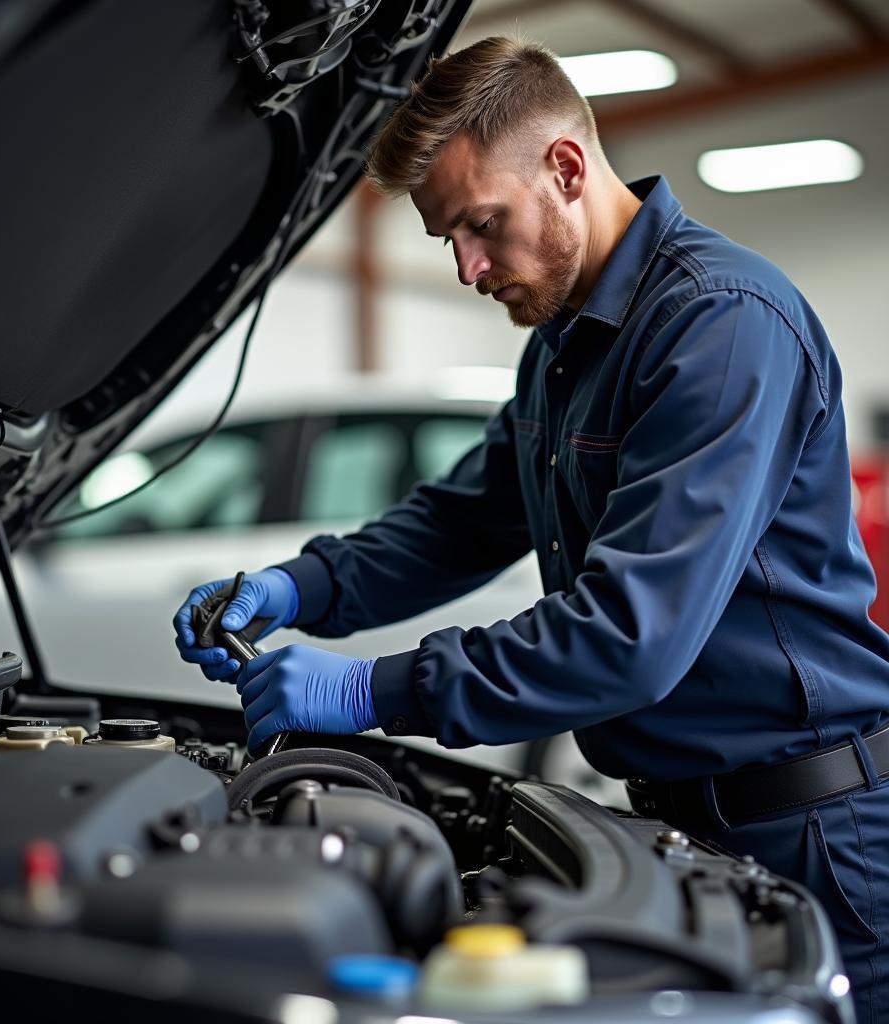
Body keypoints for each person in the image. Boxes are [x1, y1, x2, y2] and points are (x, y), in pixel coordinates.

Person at [173, 37, 889, 1017]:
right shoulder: (563, 347)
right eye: (446, 241)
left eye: (480, 224)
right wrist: (300, 585)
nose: (468, 266)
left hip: (813, 839)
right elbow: (460, 522)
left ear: (563, 167)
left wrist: (366, 688)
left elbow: (625, 634)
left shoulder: (722, 325)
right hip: (685, 828)